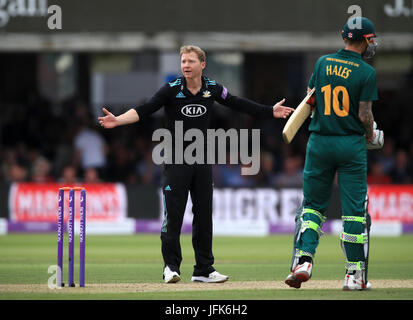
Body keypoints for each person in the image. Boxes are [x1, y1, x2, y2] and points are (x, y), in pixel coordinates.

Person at [98, 45, 294, 284]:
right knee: (174, 216)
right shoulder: (172, 90)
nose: (186, 66)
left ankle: (203, 269)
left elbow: (237, 102)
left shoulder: (212, 89)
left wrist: (269, 110)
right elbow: (145, 109)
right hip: (176, 161)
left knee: (204, 216)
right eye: (183, 62)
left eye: (191, 61)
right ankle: (170, 267)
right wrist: (118, 120)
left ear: (202, 65)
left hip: (201, 161)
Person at [284, 17, 381, 291]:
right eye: (370, 39)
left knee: (312, 207)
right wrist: (372, 133)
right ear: (365, 40)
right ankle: (354, 275)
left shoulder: (322, 63)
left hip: (319, 142)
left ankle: (304, 260)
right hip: (350, 145)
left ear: (344, 37)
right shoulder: (366, 72)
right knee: (353, 213)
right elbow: (364, 114)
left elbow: (309, 99)